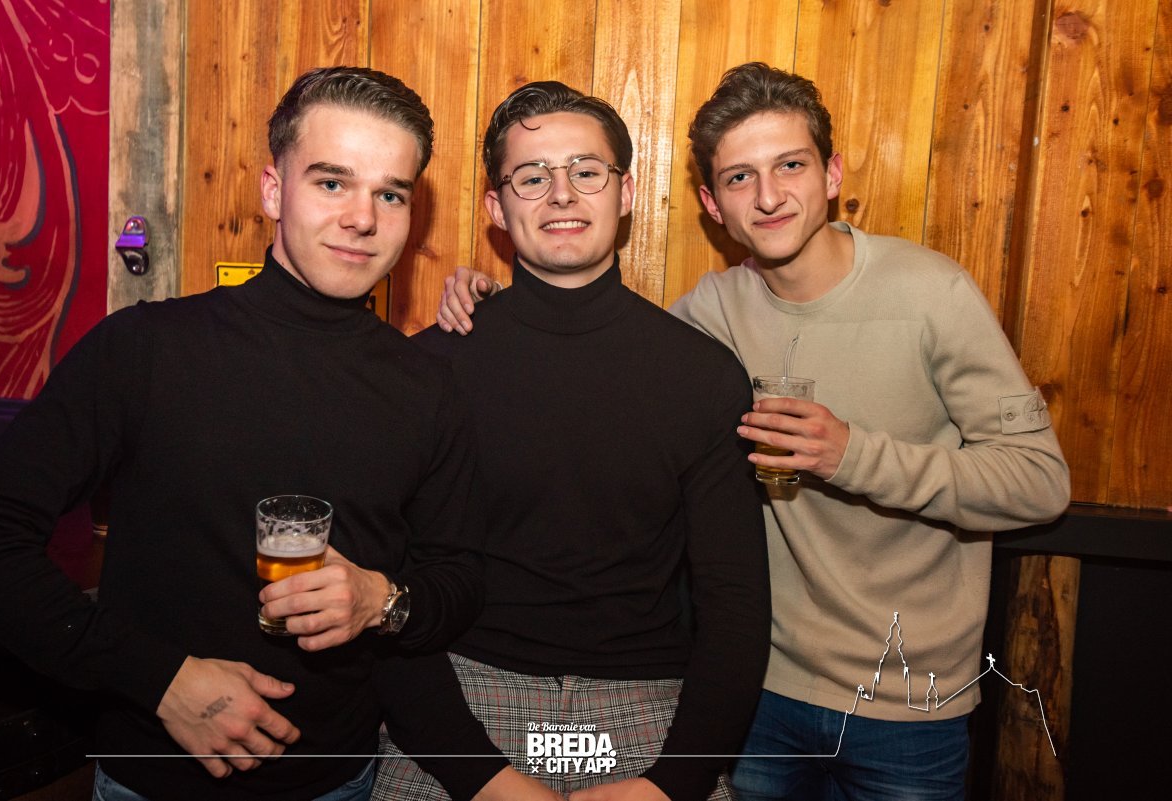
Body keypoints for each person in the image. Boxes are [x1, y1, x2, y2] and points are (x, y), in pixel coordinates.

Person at [436, 64, 1071, 801]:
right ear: (713, 203)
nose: (768, 197)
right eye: (740, 177)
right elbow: (593, 341)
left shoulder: (930, 292)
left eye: (790, 166)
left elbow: (1040, 483)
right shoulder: (710, 315)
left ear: (832, 174)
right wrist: (491, 302)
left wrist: (853, 454)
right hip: (762, 690)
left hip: (906, 701)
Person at [0, 66, 518, 801]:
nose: (362, 217)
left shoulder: (427, 386)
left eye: (390, 193)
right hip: (151, 782)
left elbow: (459, 579)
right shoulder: (145, 349)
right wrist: (160, 680)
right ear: (272, 190)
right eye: (332, 182)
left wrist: (380, 598)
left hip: (339, 782)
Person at [374, 81, 771, 801]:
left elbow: (735, 603)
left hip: (646, 709)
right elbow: (393, 594)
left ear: (625, 193)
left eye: (586, 171)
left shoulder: (701, 375)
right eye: (532, 177)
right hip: (462, 701)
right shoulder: (429, 369)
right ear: (497, 208)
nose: (562, 193)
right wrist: (480, 777)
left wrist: (671, 785)